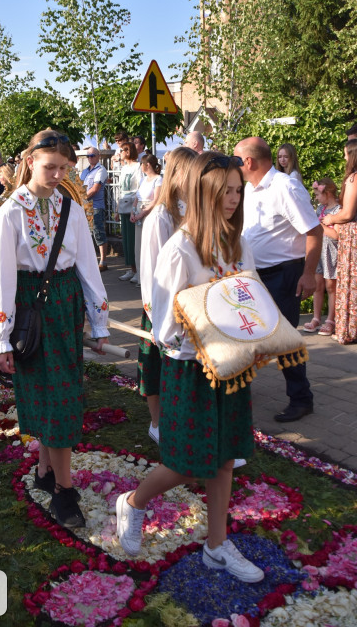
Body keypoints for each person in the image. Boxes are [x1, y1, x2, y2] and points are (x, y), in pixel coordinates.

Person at [116, 151, 264, 582]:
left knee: (224, 458)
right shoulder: (180, 248)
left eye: (238, 190)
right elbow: (163, 327)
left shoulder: (239, 244)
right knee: (188, 459)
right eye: (225, 191)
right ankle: (133, 502)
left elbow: (251, 299)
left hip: (232, 365)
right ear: (203, 193)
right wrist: (209, 315)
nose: (233, 199)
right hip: (193, 369)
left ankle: (216, 546)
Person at [0, 129, 109, 529]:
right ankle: (64, 491)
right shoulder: (11, 211)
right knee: (55, 399)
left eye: (63, 167)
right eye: (49, 166)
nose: (57, 174)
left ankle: (44, 473)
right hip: (30, 308)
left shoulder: (70, 208)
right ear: (29, 161)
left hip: (67, 303)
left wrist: (100, 320)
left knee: (64, 392)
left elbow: (87, 263)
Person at [234, 137, 322, 422]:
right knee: (246, 334)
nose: (235, 166)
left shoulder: (285, 187)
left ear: (249, 162)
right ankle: (240, 390)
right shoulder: (249, 188)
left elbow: (314, 231)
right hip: (254, 275)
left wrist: (308, 274)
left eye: (237, 160)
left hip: (283, 274)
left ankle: (301, 398)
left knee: (285, 340)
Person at [138, 147, 196, 443]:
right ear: (179, 173)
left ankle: (181, 419)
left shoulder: (193, 210)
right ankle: (158, 423)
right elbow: (150, 269)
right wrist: (156, 313)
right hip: (162, 306)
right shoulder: (160, 216)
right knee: (155, 367)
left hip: (191, 306)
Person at [321, 140, 357, 344]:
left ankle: (348, 329)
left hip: (352, 235)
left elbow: (348, 213)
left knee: (349, 281)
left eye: (346, 154)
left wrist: (331, 219)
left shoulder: (353, 179)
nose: (344, 158)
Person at [303, 178, 340, 336]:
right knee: (318, 285)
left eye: (318, 194)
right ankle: (316, 318)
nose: (316, 197)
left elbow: (336, 235)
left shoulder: (338, 211)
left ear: (328, 193)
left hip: (330, 253)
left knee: (331, 286)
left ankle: (330, 320)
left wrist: (321, 225)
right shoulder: (320, 209)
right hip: (319, 252)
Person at [130, 155, 163, 286]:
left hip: (149, 213)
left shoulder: (158, 179)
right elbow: (137, 197)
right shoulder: (143, 179)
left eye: (142, 164)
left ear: (147, 165)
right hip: (139, 212)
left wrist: (142, 213)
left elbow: (156, 200)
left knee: (149, 246)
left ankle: (151, 279)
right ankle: (140, 276)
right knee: (139, 246)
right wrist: (133, 211)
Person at [115, 142, 141, 282]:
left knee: (133, 240)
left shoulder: (138, 167)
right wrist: (117, 209)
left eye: (122, 151)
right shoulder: (124, 168)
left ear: (128, 151)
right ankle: (131, 269)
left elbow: (138, 187)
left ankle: (138, 271)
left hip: (132, 206)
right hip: (124, 206)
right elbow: (120, 189)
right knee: (126, 240)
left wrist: (133, 207)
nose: (120, 154)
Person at [80, 147, 109, 271]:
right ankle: (90, 259)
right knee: (85, 234)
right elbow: (79, 186)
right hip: (84, 206)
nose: (90, 158)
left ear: (98, 156)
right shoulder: (85, 171)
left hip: (95, 206)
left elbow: (95, 189)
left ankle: (103, 260)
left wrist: (82, 198)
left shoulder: (101, 170)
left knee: (98, 232)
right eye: (88, 156)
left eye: (92, 155)